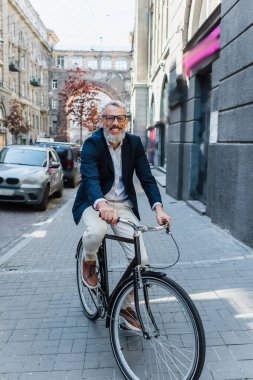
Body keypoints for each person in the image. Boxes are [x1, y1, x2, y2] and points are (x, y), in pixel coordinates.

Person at [72, 100, 171, 331]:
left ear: (126, 121)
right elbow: (90, 179)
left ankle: (125, 307)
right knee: (97, 231)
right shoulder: (92, 144)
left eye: (120, 118)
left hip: (123, 205)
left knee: (142, 261)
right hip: (93, 201)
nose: (115, 123)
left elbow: (147, 178)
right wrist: (101, 204)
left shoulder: (134, 143)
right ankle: (88, 261)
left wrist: (158, 208)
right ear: (102, 121)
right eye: (109, 118)